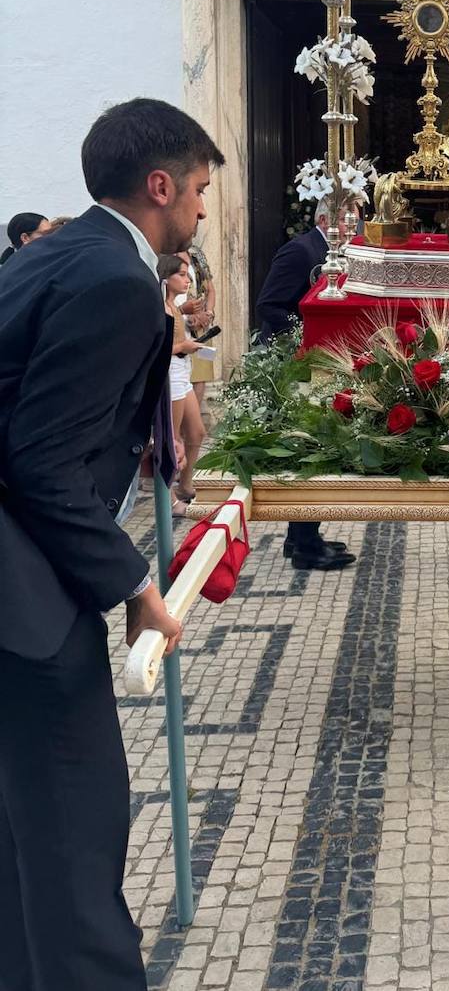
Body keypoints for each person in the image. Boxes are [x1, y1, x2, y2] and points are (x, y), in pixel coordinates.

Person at [0, 96, 223, 989]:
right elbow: (40, 459)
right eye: (200, 190)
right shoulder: (111, 280)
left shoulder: (59, 252)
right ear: (159, 185)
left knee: (23, 830)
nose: (203, 211)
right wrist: (135, 587)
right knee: (73, 825)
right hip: (22, 596)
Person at [255, 197, 355, 570]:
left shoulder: (337, 253)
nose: (353, 227)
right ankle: (304, 545)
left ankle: (301, 536)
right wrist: (303, 336)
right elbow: (269, 304)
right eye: (347, 220)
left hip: (322, 364)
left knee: (316, 446)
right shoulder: (300, 251)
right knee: (305, 449)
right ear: (326, 219)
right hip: (296, 363)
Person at [159, 253, 206, 514]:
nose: (187, 280)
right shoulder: (161, 307)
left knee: (196, 431)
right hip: (170, 372)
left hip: (181, 369)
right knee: (170, 439)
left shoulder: (174, 305)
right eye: (181, 274)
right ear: (166, 277)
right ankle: (168, 500)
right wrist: (183, 346)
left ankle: (185, 485)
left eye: (187, 274)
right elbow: (157, 348)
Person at [182, 241, 216, 413]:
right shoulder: (165, 256)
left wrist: (208, 314)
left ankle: (192, 424)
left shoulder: (196, 254)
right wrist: (188, 315)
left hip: (202, 325)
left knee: (201, 376)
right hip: (180, 322)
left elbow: (210, 290)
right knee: (182, 376)